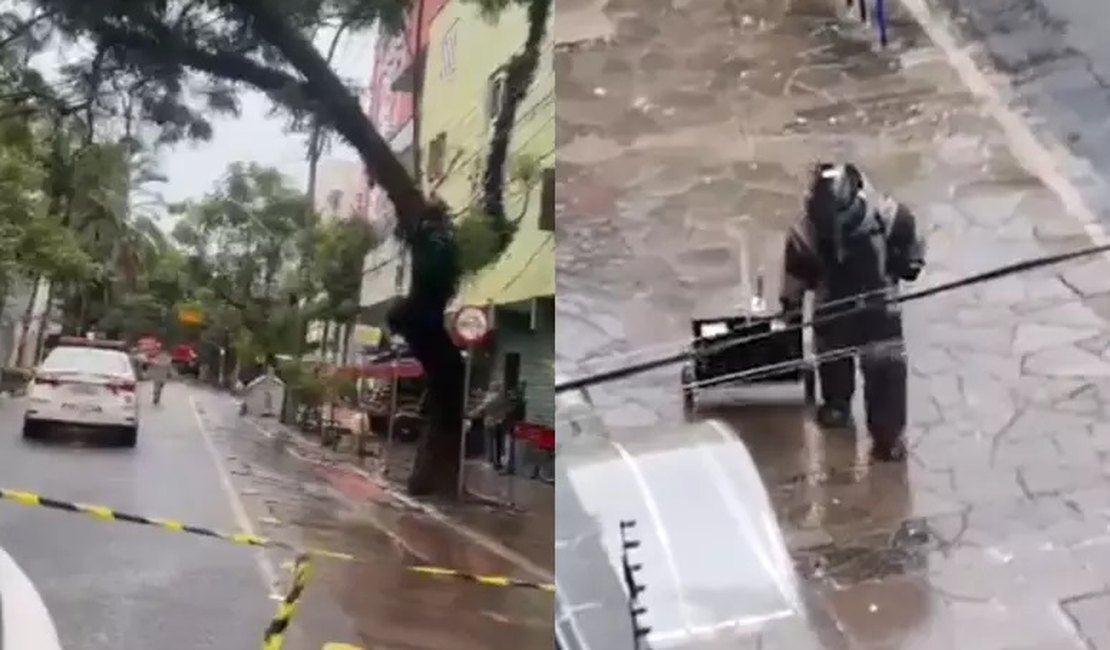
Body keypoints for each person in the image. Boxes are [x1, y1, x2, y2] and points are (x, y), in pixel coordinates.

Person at [779, 162, 925, 461]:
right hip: (831, 311)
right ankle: (837, 404)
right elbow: (794, 277)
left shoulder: (889, 217)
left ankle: (888, 436)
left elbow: (912, 248)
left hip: (880, 311)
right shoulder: (804, 234)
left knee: (886, 371)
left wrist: (909, 263)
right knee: (832, 361)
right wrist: (790, 309)